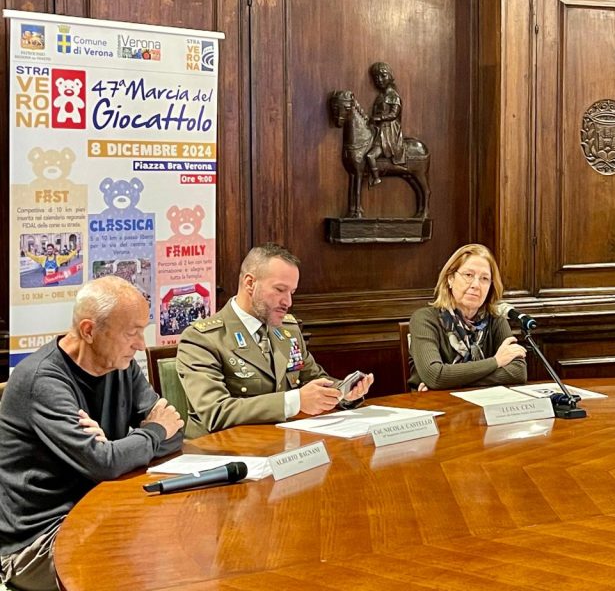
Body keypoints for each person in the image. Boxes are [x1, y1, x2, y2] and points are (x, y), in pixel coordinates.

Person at [0, 276, 183, 591]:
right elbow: (105, 463)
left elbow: (175, 431)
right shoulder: (43, 381)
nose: (141, 344)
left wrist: (116, 448)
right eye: (132, 333)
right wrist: (150, 433)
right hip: (37, 542)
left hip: (99, 511)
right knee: (149, 563)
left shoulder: (122, 366)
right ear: (88, 331)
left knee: (178, 536)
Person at [176, 243, 374, 438]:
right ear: (250, 283)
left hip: (282, 442)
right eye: (280, 289)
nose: (288, 302)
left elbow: (313, 379)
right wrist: (295, 401)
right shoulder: (202, 338)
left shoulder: (288, 331)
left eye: (291, 292)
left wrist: (343, 392)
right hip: (224, 450)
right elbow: (215, 412)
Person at [408, 243, 527, 391]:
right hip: (437, 403)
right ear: (450, 278)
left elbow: (518, 372)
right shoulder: (425, 319)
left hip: (485, 402)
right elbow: (435, 375)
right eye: (468, 275)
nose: (476, 285)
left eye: (484, 278)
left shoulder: (496, 320)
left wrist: (451, 382)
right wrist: (496, 362)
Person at [365, 61, 405, 185]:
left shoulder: (393, 96)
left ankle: (376, 177)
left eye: (383, 75)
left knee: (370, 155)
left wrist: (379, 118)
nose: (379, 80)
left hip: (389, 131)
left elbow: (394, 114)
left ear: (390, 76)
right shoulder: (380, 97)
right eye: (376, 77)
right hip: (378, 130)